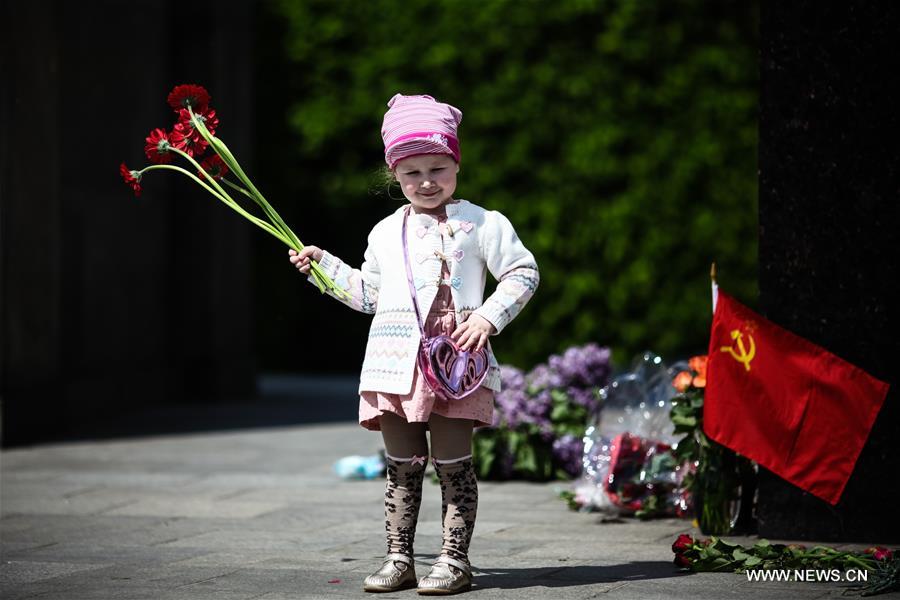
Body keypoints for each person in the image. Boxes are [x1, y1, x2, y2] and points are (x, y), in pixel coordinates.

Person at [289, 93, 539, 594]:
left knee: (453, 464)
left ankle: (453, 561)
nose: (426, 182)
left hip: (456, 363)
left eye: (438, 168)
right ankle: (398, 558)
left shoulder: (485, 223)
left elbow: (523, 272)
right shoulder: (384, 231)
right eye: (411, 173)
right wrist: (324, 269)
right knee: (401, 466)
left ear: (456, 166)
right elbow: (369, 295)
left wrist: (489, 317)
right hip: (394, 364)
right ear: (394, 175)